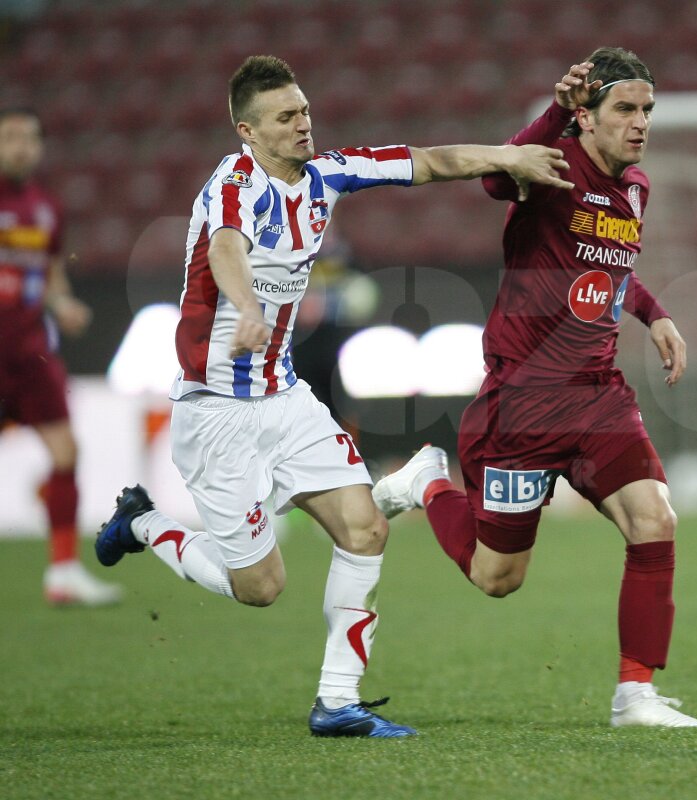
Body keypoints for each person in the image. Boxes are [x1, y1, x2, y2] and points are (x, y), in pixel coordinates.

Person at [93, 55, 575, 738]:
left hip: (285, 398)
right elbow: (228, 247)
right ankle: (140, 523)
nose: (302, 124)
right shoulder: (233, 184)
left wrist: (507, 155)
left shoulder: (326, 175)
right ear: (247, 131)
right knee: (260, 587)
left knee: (366, 528)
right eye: (285, 117)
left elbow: (428, 162)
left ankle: (337, 702)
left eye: (305, 111)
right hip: (216, 411)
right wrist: (246, 304)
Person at [373, 48, 697, 728]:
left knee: (655, 520)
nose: (640, 123)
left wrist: (655, 313)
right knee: (499, 579)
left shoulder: (636, 186)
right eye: (625, 109)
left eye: (646, 110)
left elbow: (613, 268)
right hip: (522, 403)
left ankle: (635, 696)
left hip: (598, 395)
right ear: (585, 115)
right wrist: (550, 115)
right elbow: (497, 176)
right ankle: (428, 483)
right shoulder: (549, 163)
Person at [0, 107, 122, 608]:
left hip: (30, 351)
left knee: (66, 452)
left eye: (30, 137)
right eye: (10, 136)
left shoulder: (46, 206)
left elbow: (49, 273)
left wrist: (63, 302)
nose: (22, 146)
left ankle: (64, 572)